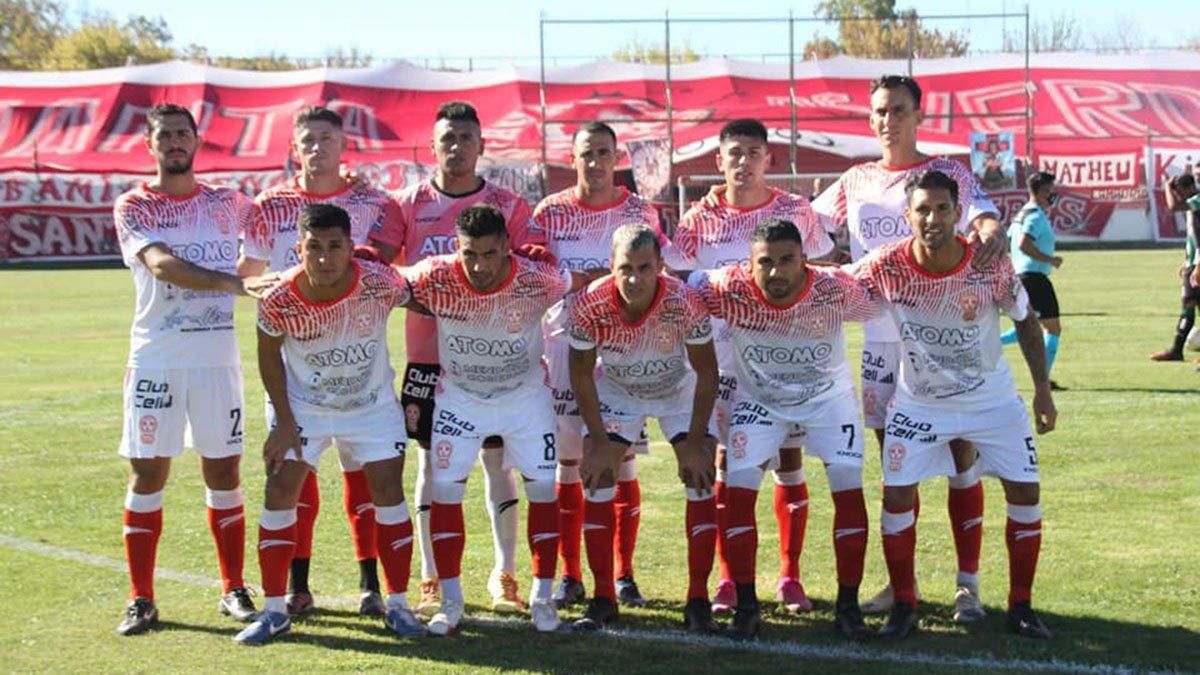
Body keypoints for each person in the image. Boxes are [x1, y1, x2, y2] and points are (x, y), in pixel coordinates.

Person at [811, 74, 1007, 620]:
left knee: (961, 457)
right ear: (869, 119)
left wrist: (990, 230)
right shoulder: (855, 180)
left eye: (898, 109)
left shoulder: (947, 176)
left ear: (919, 115)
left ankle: (968, 584)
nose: (887, 119)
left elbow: (986, 217)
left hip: (945, 343)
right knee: (896, 465)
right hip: (879, 343)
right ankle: (904, 586)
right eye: (879, 111)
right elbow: (800, 223)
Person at [850, 170, 1056, 640]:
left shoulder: (988, 264)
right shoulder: (886, 265)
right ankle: (904, 604)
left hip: (992, 401)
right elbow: (833, 294)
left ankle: (1020, 606)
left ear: (959, 213)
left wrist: (1041, 389)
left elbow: (1025, 321)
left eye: (943, 209)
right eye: (922, 209)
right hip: (919, 404)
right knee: (897, 494)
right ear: (908, 216)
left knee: (1025, 493)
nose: (933, 218)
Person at [371, 101, 546, 616]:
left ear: (481, 145)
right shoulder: (406, 204)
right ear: (433, 145)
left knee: (499, 464)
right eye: (447, 138)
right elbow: (379, 266)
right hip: (430, 360)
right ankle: (431, 576)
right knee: (431, 467)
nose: (457, 147)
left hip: (495, 358)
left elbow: (534, 265)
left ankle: (504, 573)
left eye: (466, 138)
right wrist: (420, 296)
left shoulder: (509, 206)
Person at [235, 204, 425, 644]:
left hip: (370, 406)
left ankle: (397, 605)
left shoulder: (379, 283)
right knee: (280, 489)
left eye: (335, 246)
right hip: (304, 408)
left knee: (388, 495)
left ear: (350, 250)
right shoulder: (279, 296)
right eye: (314, 248)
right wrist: (283, 421)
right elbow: (267, 354)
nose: (324, 257)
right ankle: (274, 610)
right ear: (298, 249)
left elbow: (425, 297)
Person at [112, 104, 269, 635]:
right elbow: (161, 264)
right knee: (148, 472)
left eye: (183, 134)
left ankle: (233, 587)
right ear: (150, 145)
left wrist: (337, 178)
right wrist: (232, 284)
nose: (175, 142)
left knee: (223, 471)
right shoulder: (134, 205)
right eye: (165, 136)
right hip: (157, 357)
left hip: (215, 359)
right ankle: (140, 598)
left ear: (197, 141)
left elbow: (283, 215)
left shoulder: (229, 203)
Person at [238, 105, 398, 617]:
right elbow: (251, 270)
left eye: (326, 138)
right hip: (298, 362)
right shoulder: (269, 203)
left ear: (342, 144)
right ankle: (295, 587)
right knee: (294, 479)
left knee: (365, 478)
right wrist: (248, 289)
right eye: (307, 139)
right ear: (293, 146)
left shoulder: (369, 199)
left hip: (357, 360)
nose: (317, 148)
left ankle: (371, 583)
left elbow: (389, 254)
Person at [676, 118, 839, 616]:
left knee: (790, 465)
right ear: (718, 161)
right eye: (734, 153)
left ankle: (790, 576)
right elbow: (680, 283)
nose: (743, 161)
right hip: (724, 365)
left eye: (753, 152)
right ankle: (729, 579)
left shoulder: (796, 211)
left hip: (786, 364)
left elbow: (825, 272)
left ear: (769, 159)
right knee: (729, 465)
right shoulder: (698, 219)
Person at [691, 218, 877, 641]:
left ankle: (848, 606)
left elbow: (878, 304)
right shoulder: (726, 287)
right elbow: (685, 283)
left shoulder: (834, 290)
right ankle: (747, 606)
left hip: (829, 401)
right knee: (737, 496)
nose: (776, 272)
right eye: (766, 262)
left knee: (848, 491)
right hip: (760, 404)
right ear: (748, 265)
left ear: (805, 260)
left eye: (787, 260)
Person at [407, 205, 581, 635]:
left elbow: (582, 280)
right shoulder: (435, 275)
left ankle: (542, 597)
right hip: (460, 402)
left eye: (489, 253)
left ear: (507, 247)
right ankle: (451, 602)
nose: (479, 265)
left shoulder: (538, 278)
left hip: (526, 402)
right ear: (456, 248)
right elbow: (386, 285)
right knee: (445, 493)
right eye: (470, 254)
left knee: (543, 491)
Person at [531, 121, 665, 610]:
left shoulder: (638, 211)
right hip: (565, 351)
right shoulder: (550, 212)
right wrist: (575, 280)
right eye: (587, 153)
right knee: (569, 468)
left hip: (623, 353)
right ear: (573, 158)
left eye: (604, 153)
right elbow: (535, 271)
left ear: (617, 158)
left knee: (621, 461)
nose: (596, 162)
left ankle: (623, 574)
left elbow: (656, 273)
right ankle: (571, 575)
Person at [568, 224, 721, 634]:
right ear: (610, 267)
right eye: (624, 268)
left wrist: (695, 440)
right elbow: (581, 373)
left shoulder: (685, 301)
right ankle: (604, 598)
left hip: (677, 391)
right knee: (598, 478)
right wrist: (598, 441)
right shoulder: (589, 304)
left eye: (644, 268)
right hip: (618, 392)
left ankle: (698, 599)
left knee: (701, 477)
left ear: (660, 267)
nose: (634, 279)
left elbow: (707, 371)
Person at [1000, 172, 1065, 390]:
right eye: (1048, 191)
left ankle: (990, 341)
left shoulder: (1022, 213)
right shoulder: (1035, 215)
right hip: (1034, 277)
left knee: (1028, 325)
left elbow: (1010, 239)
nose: (1052, 195)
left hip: (1022, 276)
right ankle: (1043, 379)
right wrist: (1050, 259)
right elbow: (1023, 244)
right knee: (1053, 329)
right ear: (1036, 192)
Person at [1150, 172, 1200, 362]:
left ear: (1188, 189)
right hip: (1193, 262)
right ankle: (1176, 350)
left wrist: (1167, 188)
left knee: (1188, 302)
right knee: (1193, 303)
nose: (1178, 196)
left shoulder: (1197, 199)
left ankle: (1176, 350)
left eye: (1179, 192)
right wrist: (1188, 259)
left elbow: (1173, 206)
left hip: (1197, 264)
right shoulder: (1194, 202)